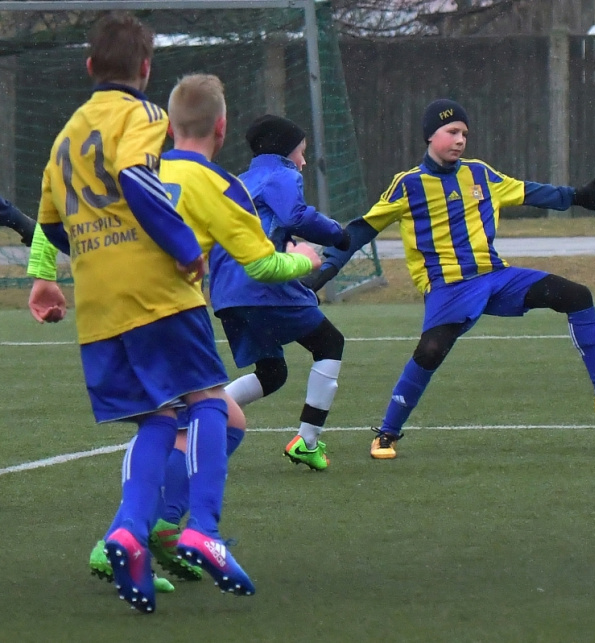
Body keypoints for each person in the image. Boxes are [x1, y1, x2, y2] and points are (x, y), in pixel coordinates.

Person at [26, 15, 310, 613]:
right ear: (147, 68)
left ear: (88, 67)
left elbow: (50, 221)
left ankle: (129, 532)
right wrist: (183, 248)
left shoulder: (65, 135)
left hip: (98, 304)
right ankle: (201, 527)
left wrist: (46, 279)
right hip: (155, 292)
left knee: (157, 420)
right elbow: (137, 178)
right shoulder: (147, 116)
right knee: (209, 403)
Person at [312, 98, 595, 460]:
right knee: (430, 351)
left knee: (576, 295)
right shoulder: (408, 184)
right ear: (430, 136)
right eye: (452, 132)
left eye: (464, 133)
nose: (460, 139)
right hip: (449, 289)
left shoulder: (479, 173)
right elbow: (361, 229)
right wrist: (328, 269)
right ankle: (387, 433)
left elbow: (527, 191)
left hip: (497, 278)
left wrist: (574, 196)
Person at [204, 114, 351, 472]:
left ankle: (203, 417)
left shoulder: (239, 182)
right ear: (286, 151)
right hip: (260, 286)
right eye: (301, 151)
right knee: (330, 343)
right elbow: (297, 215)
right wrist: (337, 233)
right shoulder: (281, 174)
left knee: (272, 372)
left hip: (226, 293)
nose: (303, 161)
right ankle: (308, 441)